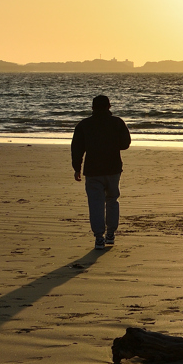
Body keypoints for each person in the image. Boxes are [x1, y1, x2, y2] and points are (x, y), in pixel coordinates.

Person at [72, 95, 131, 250]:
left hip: (93, 170)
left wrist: (77, 168)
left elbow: (77, 149)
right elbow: (125, 144)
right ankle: (110, 233)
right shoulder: (117, 123)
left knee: (96, 203)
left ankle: (99, 237)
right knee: (112, 200)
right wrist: (112, 144)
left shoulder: (84, 125)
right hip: (113, 168)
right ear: (109, 107)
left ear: (92, 108)